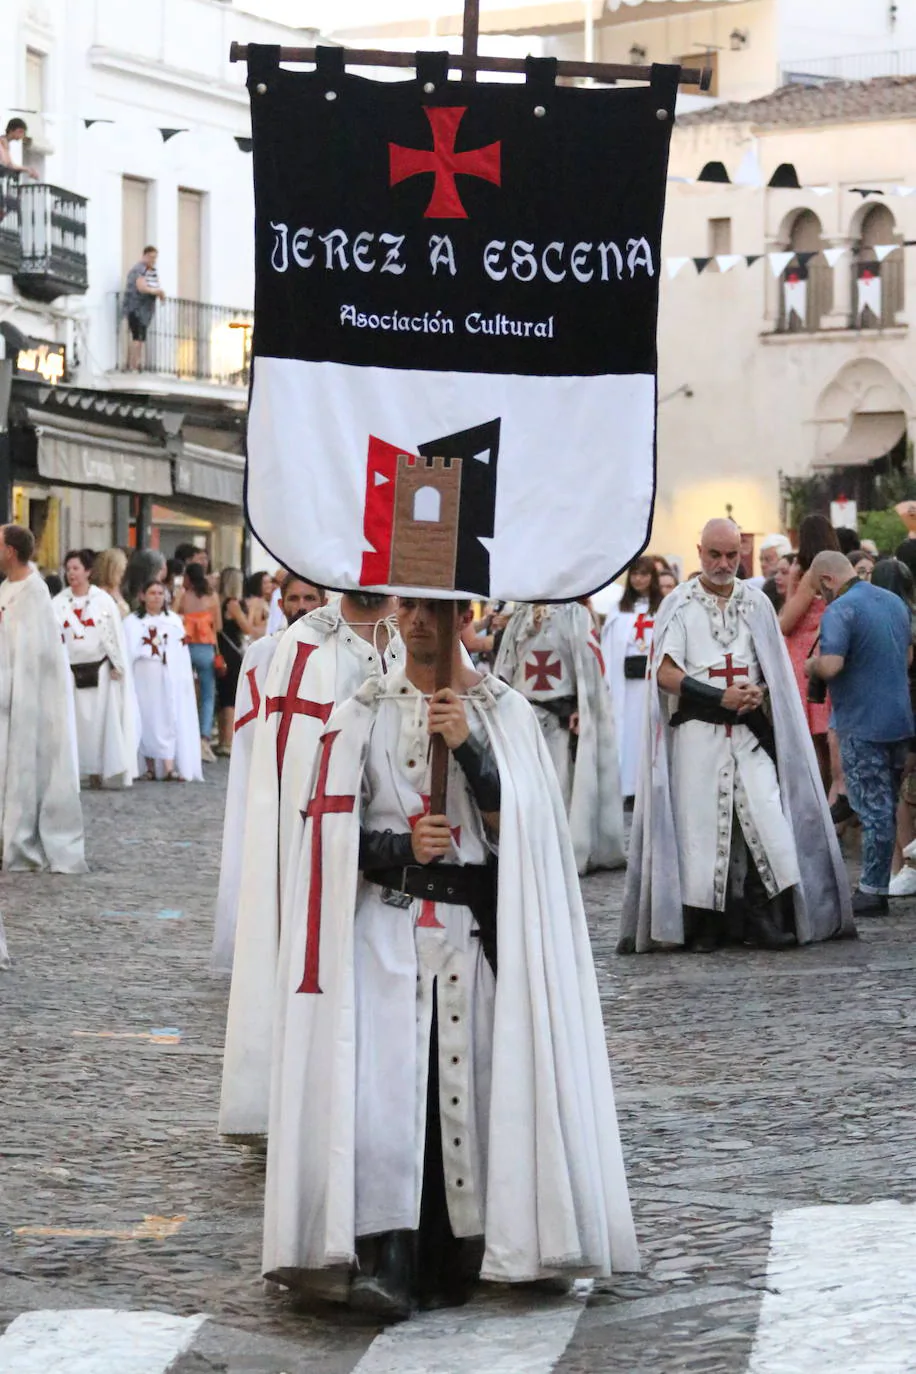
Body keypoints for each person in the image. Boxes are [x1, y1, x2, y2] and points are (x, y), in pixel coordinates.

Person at [263, 597, 638, 1317]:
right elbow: (326, 836)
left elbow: (526, 833)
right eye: (408, 608)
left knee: (468, 1087)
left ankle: (474, 1246)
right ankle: (388, 1254)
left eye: (434, 610)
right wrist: (403, 846)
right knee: (385, 1095)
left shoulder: (505, 712)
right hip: (384, 934)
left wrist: (469, 749)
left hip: (471, 934)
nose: (417, 624)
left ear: (464, 616)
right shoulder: (361, 711)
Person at [620, 518, 854, 955]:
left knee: (768, 818)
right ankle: (706, 925)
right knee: (702, 830)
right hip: (697, 732)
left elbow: (775, 670)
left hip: (748, 730)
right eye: (715, 554)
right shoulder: (679, 603)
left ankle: (764, 915)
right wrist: (718, 696)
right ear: (699, 551)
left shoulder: (756, 603)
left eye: (732, 555)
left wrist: (758, 692)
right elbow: (666, 673)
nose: (724, 564)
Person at [219, 588, 399, 1140]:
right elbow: (287, 783)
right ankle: (305, 1108)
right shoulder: (300, 650)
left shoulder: (421, 636)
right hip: (318, 864)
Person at [211, 575, 323, 975]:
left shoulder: (339, 655)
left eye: (310, 597)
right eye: (293, 598)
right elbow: (246, 730)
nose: (301, 606)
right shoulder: (262, 654)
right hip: (272, 779)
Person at [806, 551, 914, 916]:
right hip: (899, 720)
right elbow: (909, 656)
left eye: (819, 591)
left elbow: (832, 665)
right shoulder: (894, 601)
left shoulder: (841, 609)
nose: (821, 598)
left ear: (826, 581)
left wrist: (811, 664)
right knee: (886, 803)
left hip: (862, 721)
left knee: (874, 808)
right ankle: (878, 884)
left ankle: (872, 889)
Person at [494, 601, 623, 874]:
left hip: (560, 718)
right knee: (525, 787)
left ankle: (559, 853)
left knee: (559, 786)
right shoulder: (520, 617)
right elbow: (505, 668)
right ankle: (528, 850)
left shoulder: (575, 616)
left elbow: (588, 667)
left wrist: (580, 706)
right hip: (523, 714)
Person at [0, 525, 85, 872]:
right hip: (5, 697)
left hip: (24, 701)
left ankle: (18, 840)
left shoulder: (35, 594)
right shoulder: (6, 588)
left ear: (10, 551)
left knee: (21, 772)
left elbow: (37, 654)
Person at [53, 549, 137, 789]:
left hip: (100, 670)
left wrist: (117, 664)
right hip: (70, 671)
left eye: (76, 568)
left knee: (100, 725)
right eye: (68, 569)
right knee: (75, 724)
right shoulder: (58, 603)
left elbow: (113, 635)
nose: (71, 574)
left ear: (88, 571)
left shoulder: (103, 601)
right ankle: (76, 769)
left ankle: (99, 770)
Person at [779, 514, 840, 792]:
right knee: (831, 736)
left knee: (814, 742)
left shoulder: (809, 574)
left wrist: (792, 583)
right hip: (832, 653)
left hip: (805, 659)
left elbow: (786, 622)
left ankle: (819, 804)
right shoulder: (839, 572)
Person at [123, 580, 202, 783]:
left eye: (160, 593)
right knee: (145, 719)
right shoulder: (131, 622)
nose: (156, 596)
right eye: (152, 592)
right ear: (142, 596)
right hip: (142, 679)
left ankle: (168, 766)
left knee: (169, 717)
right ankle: (148, 767)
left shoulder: (174, 621)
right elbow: (127, 651)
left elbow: (180, 653)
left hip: (168, 680)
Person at [601, 556, 662, 805]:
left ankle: (649, 787)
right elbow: (608, 646)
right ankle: (627, 788)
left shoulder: (662, 608)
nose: (639, 579)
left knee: (648, 731)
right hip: (625, 684)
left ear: (652, 577)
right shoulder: (619, 609)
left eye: (644, 574)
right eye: (635, 574)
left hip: (650, 683)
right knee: (626, 735)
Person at [181, 561, 221, 763]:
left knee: (185, 692)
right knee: (207, 695)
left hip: (186, 647)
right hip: (206, 647)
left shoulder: (184, 597)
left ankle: (185, 733)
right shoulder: (212, 597)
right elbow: (219, 626)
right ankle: (204, 737)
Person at [215, 568, 252, 756]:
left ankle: (222, 738)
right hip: (233, 653)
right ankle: (227, 741)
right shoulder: (233, 604)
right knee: (231, 698)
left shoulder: (217, 601)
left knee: (222, 697)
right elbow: (247, 628)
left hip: (220, 650)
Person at [122, 245, 165, 372]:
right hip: (136, 308)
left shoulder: (151, 271)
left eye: (155, 258)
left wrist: (159, 293)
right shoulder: (139, 270)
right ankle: (132, 365)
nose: (153, 260)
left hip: (145, 311)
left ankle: (137, 363)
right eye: (151, 257)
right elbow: (141, 287)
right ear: (144, 256)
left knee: (141, 339)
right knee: (137, 337)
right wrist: (156, 292)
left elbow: (154, 285)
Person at [92, 547, 130, 617]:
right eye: (119, 572)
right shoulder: (99, 594)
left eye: (123, 571)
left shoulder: (119, 589)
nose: (122, 575)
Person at [244, 571, 272, 641]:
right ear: (258, 585)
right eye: (265, 583)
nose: (269, 585)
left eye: (270, 582)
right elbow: (250, 624)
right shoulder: (255, 601)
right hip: (258, 640)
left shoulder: (265, 600)